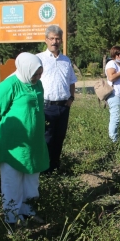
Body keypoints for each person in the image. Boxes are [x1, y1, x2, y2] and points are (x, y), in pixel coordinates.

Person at [0, 53, 49, 225]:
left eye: (39, 73)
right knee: (12, 181)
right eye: (35, 74)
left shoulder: (38, 84)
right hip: (13, 143)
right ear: (25, 69)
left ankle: (28, 211)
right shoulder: (10, 85)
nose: (37, 77)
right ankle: (12, 218)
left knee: (31, 179)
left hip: (34, 142)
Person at [36, 25, 77, 173]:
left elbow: (72, 81)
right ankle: (44, 170)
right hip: (46, 106)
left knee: (59, 138)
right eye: (51, 38)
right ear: (46, 40)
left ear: (61, 40)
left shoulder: (66, 60)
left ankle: (55, 168)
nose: (55, 41)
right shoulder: (38, 59)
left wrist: (71, 99)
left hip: (63, 106)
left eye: (57, 38)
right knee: (46, 139)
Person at [104, 45, 120, 142]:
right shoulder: (111, 63)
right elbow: (111, 77)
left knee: (118, 118)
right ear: (113, 54)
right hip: (115, 95)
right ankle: (113, 141)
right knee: (115, 118)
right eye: (118, 54)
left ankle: (115, 139)